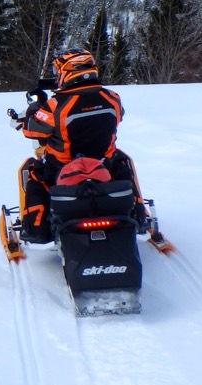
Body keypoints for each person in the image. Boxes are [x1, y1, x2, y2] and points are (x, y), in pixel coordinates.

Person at [10, 48, 141, 243]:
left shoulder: (55, 106)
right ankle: (139, 215)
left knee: (34, 173)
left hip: (61, 169)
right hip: (104, 165)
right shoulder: (112, 98)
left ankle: (36, 229)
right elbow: (119, 116)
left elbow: (32, 130)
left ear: (65, 73)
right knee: (122, 162)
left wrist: (34, 108)